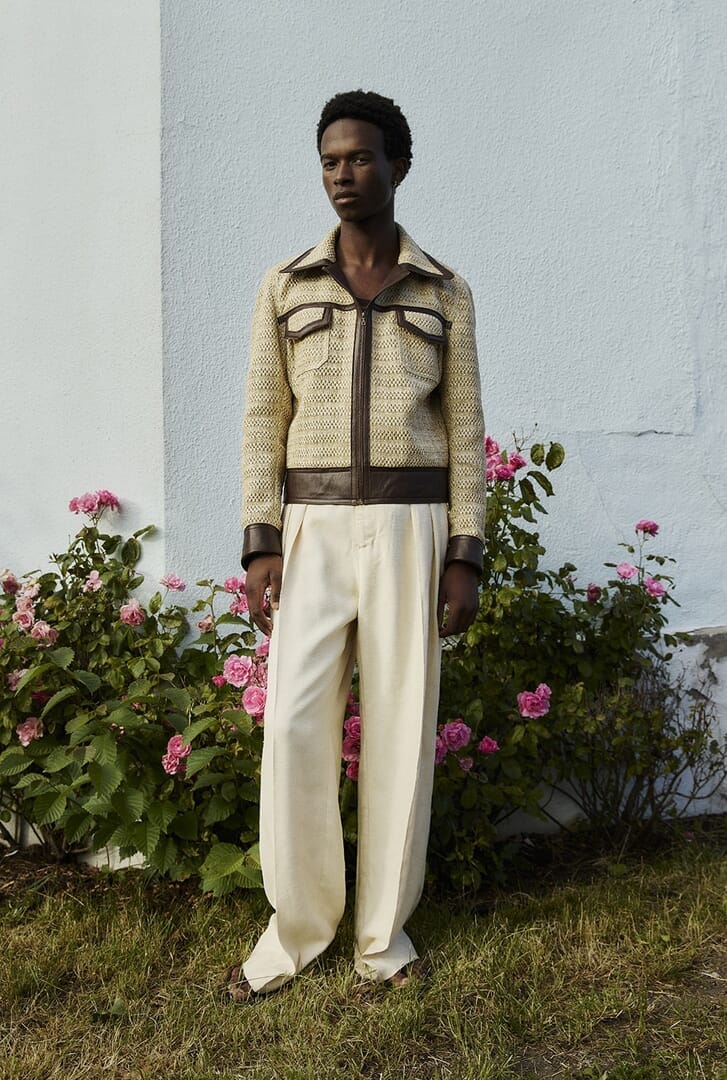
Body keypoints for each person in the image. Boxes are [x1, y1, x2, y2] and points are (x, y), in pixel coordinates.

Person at [227, 90, 486, 1000]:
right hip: (312, 528)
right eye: (330, 161)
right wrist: (261, 540)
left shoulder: (443, 291)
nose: (342, 175)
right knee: (296, 724)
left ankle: (382, 939)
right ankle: (295, 931)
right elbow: (263, 419)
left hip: (413, 528)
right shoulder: (285, 285)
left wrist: (465, 552)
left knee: (402, 730)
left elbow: (465, 433)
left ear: (397, 165)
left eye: (360, 158)